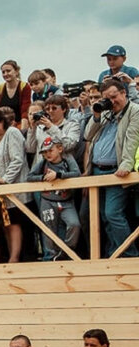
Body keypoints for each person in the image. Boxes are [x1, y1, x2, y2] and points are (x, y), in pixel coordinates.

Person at [83, 79, 139, 258]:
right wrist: (97, 115)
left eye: (114, 97)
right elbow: (87, 135)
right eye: (107, 98)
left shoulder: (134, 111)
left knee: (113, 213)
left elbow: (132, 139)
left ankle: (130, 254)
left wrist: (125, 166)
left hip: (116, 172)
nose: (111, 101)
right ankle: (114, 253)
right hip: (97, 171)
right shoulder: (106, 114)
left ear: (124, 93)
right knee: (104, 217)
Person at [26, 137, 81, 261]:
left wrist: (59, 175)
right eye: (44, 152)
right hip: (47, 200)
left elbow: (77, 173)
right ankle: (50, 257)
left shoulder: (68, 160)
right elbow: (29, 176)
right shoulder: (43, 163)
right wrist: (43, 177)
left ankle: (66, 251)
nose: (47, 154)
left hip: (67, 201)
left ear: (60, 149)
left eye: (50, 150)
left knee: (74, 224)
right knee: (48, 230)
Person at [0, 108, 27, 263]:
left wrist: (5, 179)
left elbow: (17, 159)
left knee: (14, 222)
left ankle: (14, 258)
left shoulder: (12, 133)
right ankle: (10, 255)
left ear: (2, 121)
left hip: (15, 187)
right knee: (6, 224)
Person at [0, 60, 32, 133]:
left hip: (20, 123)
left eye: (8, 71)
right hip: (3, 125)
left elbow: (25, 110)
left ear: (16, 71)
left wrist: (23, 131)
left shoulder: (24, 87)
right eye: (3, 72)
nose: (5, 74)